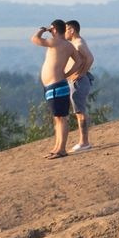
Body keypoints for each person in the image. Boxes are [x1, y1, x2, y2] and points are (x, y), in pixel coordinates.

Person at [30, 19, 79, 158]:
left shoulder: (55, 42)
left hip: (56, 86)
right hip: (55, 85)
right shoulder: (69, 46)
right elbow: (79, 61)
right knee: (57, 118)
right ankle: (57, 147)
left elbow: (34, 39)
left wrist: (43, 29)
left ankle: (61, 149)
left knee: (61, 118)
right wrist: (67, 74)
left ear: (55, 29)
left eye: (52, 29)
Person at [62, 19, 97, 153]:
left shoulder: (79, 44)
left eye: (66, 30)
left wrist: (81, 73)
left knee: (80, 112)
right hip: (76, 81)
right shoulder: (76, 42)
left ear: (72, 30)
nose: (64, 32)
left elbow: (90, 58)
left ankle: (84, 142)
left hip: (79, 82)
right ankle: (83, 141)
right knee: (79, 112)